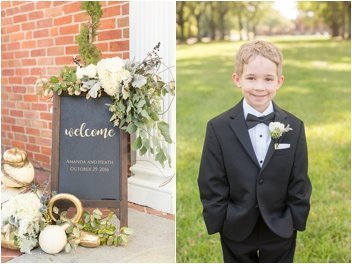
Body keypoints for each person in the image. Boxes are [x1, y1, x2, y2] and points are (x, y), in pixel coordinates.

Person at [197, 40, 312, 263]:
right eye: (251, 78)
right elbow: (211, 181)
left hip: (280, 227)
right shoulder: (218, 127)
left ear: (279, 81)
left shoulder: (294, 127)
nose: (259, 87)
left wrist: (294, 219)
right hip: (235, 228)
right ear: (237, 79)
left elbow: (299, 180)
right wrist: (220, 220)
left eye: (268, 79)